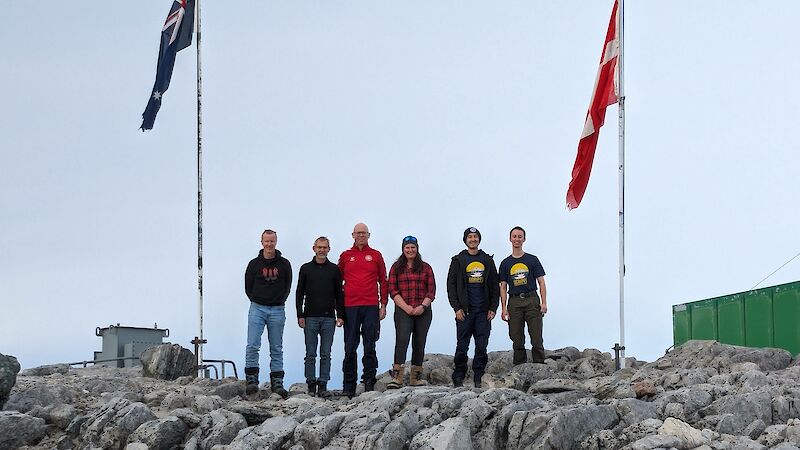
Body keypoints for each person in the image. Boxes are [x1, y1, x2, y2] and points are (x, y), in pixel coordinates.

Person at [338, 222, 388, 397]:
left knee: (370, 344)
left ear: (369, 235)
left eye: (364, 233)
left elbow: (383, 281)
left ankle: (369, 382)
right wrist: (339, 311)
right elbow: (338, 283)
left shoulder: (375, 255)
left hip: (371, 306)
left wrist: (383, 305)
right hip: (350, 306)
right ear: (352, 235)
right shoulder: (345, 256)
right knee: (350, 347)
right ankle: (348, 386)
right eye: (358, 233)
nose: (361, 236)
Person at [447, 227, 499, 388]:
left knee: (481, 346)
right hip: (464, 312)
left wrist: (493, 308)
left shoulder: (487, 260)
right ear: (465, 240)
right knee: (462, 346)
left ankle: (479, 376)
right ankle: (458, 376)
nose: (473, 239)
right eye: (470, 237)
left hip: (483, 312)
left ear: (479, 239)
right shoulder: (458, 260)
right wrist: (456, 308)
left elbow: (494, 286)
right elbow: (451, 286)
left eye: (475, 237)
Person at [243, 229, 292, 398]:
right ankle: (251, 380)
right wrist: (257, 299)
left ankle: (277, 382)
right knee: (252, 344)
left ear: (276, 242)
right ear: (262, 242)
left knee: (276, 347)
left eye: (272, 241)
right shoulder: (254, 264)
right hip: (257, 308)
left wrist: (279, 300)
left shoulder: (284, 264)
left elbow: (288, 285)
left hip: (277, 309)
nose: (269, 244)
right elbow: (248, 286)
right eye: (267, 241)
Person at [296, 236, 344, 398]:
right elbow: (299, 293)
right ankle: (310, 383)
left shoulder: (334, 270)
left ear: (329, 249)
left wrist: (340, 315)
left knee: (325, 353)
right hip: (310, 317)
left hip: (329, 318)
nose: (322, 250)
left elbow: (339, 294)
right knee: (310, 353)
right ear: (314, 248)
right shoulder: (306, 268)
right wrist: (300, 314)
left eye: (325, 247)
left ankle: (323, 383)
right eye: (319, 247)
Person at [386, 235, 436, 389]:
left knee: (419, 343)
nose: (410, 250)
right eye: (407, 247)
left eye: (413, 247)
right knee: (402, 341)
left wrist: (422, 306)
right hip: (403, 309)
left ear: (417, 248)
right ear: (403, 249)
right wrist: (406, 307)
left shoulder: (426, 267)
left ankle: (415, 377)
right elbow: (392, 290)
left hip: (423, 310)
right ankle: (398, 377)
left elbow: (432, 290)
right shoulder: (396, 267)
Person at [499, 226, 548, 365]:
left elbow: (542, 282)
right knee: (516, 337)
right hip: (514, 302)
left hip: (531, 299)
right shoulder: (505, 263)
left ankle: (539, 365)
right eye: (514, 236)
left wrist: (544, 303)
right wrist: (503, 308)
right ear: (510, 239)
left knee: (536, 337)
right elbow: (503, 286)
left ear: (524, 239)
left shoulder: (532, 259)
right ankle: (519, 366)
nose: (517, 239)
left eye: (520, 236)